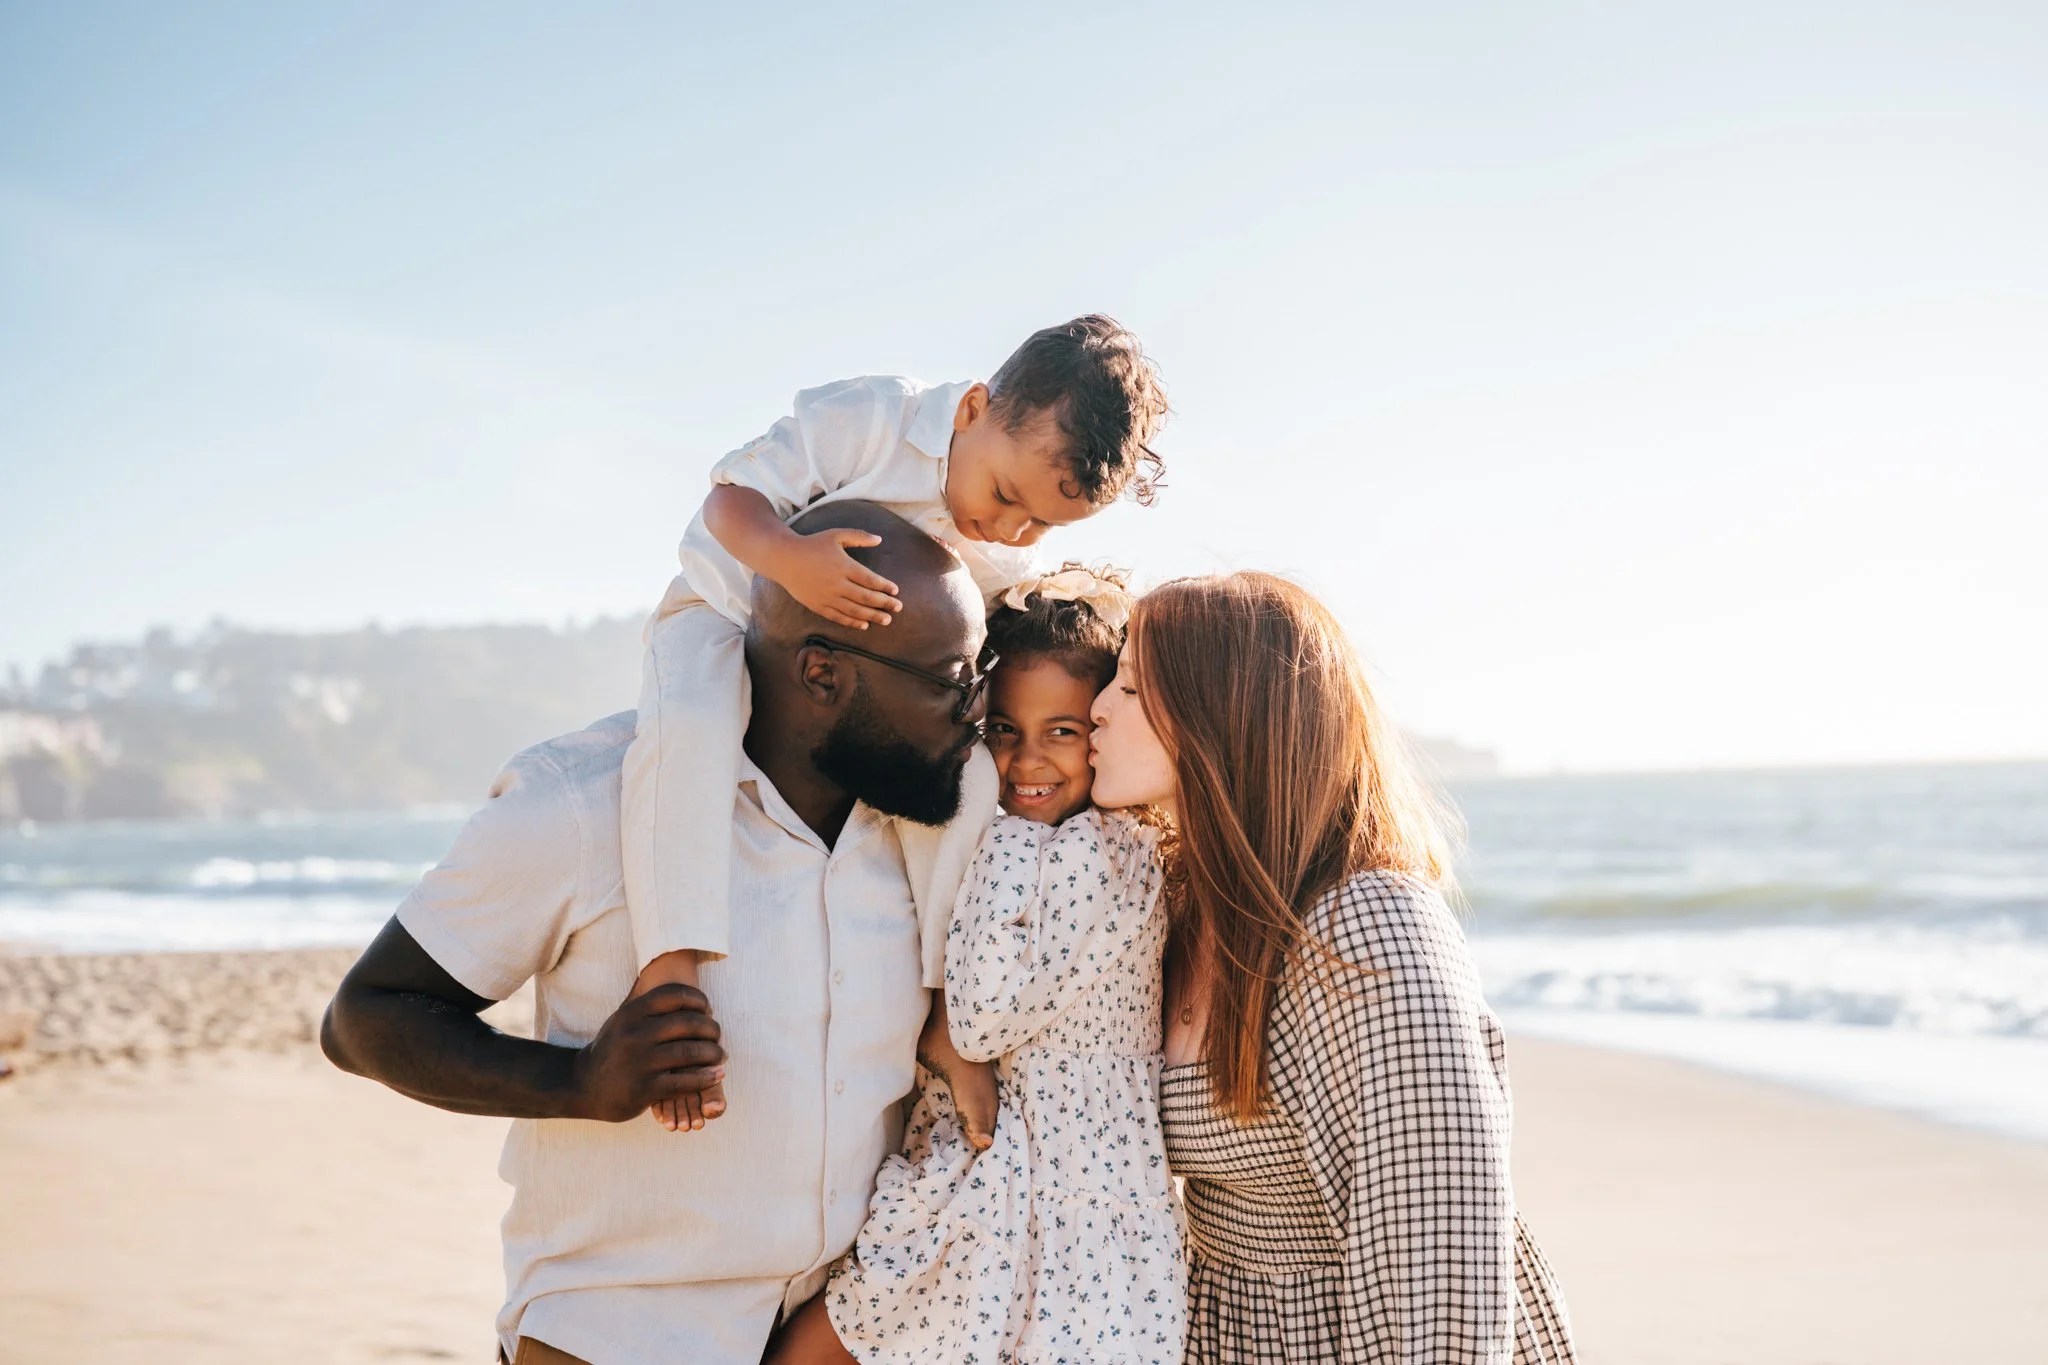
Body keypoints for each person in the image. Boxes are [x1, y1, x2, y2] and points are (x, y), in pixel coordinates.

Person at [320, 504, 1004, 1365]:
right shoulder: (582, 803)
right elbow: (363, 1018)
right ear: (823, 673)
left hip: (831, 1339)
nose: (973, 712)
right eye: (950, 682)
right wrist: (580, 1082)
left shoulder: (921, 840)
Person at [624, 316, 1170, 1132]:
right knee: (690, 731)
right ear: (973, 410)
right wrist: (788, 557)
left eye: (1043, 526)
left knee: (966, 781)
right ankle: (672, 964)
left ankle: (943, 1014)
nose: (1012, 532)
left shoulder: (1009, 553)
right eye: (1008, 497)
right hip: (727, 610)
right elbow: (728, 502)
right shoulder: (875, 420)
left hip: (861, 695)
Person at [1087, 571, 1578, 1364]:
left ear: (1224, 716)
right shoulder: (1178, 908)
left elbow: (1441, 1266)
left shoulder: (1368, 932)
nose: (1098, 708)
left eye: (1134, 688)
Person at [766, 566, 1186, 1365]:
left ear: (1101, 729)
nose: (1027, 760)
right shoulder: (1074, 847)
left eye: (1062, 731)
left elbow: (985, 1011)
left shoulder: (1099, 854)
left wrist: (1001, 838)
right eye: (1003, 731)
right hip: (1001, 1179)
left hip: (1056, 1198)